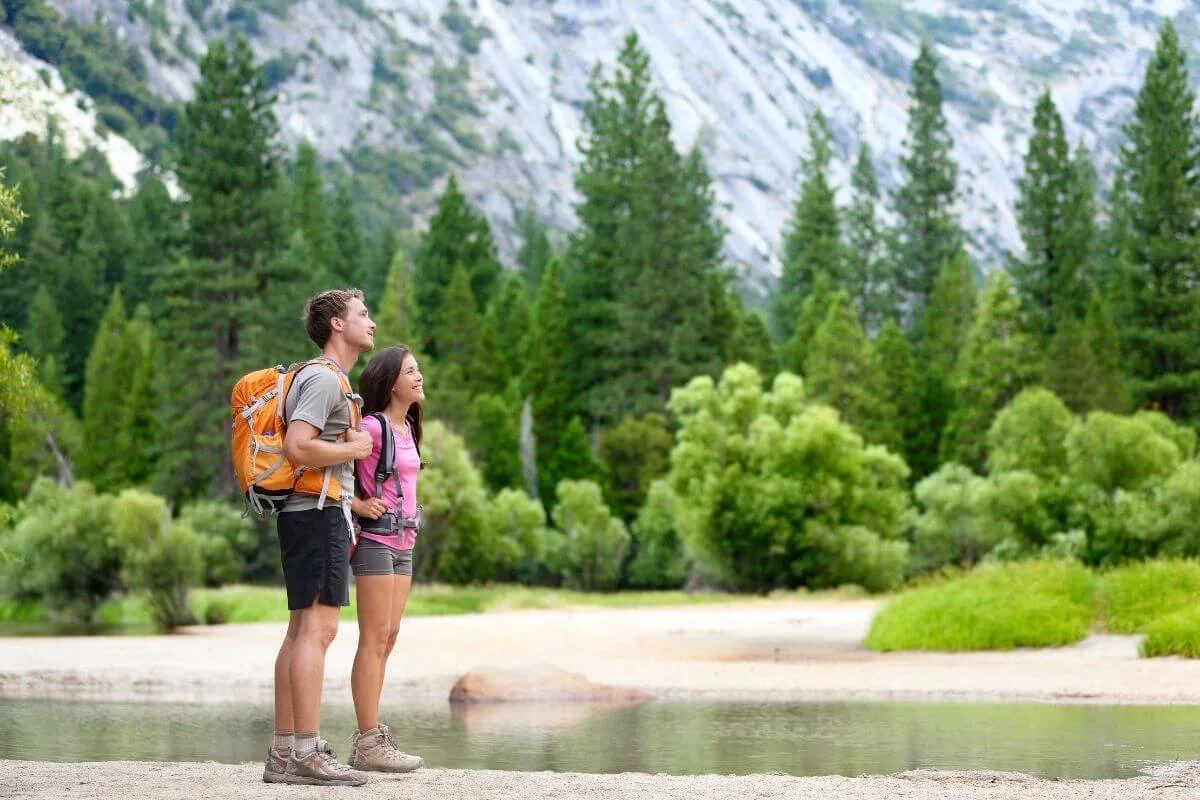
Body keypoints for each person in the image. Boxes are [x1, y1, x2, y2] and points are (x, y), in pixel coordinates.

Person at [263, 289, 375, 787]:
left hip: (309, 515)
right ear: (336, 324)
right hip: (316, 514)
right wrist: (354, 444)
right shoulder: (324, 380)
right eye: (362, 314)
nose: (371, 322)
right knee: (318, 632)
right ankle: (305, 753)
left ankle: (285, 752)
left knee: (300, 631)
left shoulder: (328, 380)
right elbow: (298, 446)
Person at [345, 345, 426, 772]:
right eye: (410, 371)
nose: (419, 377)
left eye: (418, 370)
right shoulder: (372, 428)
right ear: (391, 381)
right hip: (376, 541)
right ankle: (368, 740)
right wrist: (358, 505)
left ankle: (370, 740)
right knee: (374, 639)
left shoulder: (408, 427)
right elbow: (330, 466)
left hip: (405, 543)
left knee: (389, 636)